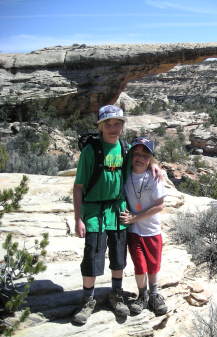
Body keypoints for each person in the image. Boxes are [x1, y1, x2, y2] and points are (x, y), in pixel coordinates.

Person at [72, 105, 160, 325]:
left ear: (122, 126)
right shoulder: (91, 151)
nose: (113, 128)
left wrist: (157, 167)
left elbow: (143, 159)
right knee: (92, 255)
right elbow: (78, 187)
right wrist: (78, 218)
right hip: (94, 211)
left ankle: (116, 294)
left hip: (118, 210)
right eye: (108, 124)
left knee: (119, 256)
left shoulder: (124, 148)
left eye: (117, 123)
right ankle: (87, 300)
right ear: (100, 126)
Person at [119, 137, 168, 316]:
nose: (140, 158)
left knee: (153, 265)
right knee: (140, 266)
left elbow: (160, 205)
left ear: (151, 158)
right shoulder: (125, 175)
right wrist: (133, 221)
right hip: (134, 232)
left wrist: (135, 217)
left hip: (152, 230)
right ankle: (143, 295)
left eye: (145, 155)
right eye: (136, 154)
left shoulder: (154, 177)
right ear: (131, 155)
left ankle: (154, 294)